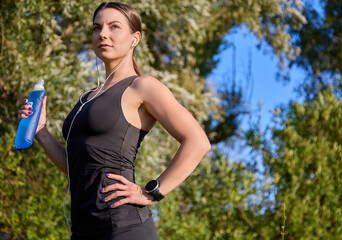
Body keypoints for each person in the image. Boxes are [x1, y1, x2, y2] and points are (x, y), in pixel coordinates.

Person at [17, 2, 211, 240]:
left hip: (123, 227)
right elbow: (77, 168)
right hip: (83, 230)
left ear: (134, 38)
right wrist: (41, 132)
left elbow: (198, 141)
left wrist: (151, 192)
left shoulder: (142, 86)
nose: (103, 34)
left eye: (114, 26)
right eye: (97, 28)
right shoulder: (87, 98)